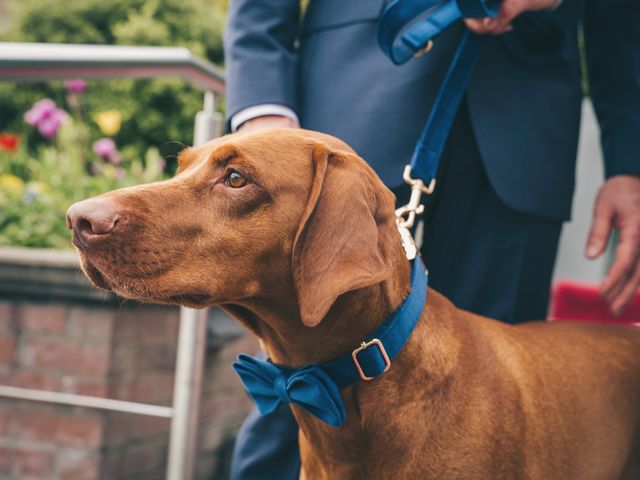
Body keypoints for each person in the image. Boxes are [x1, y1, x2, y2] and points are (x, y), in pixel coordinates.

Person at [223, 0, 640, 478]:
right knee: (299, 396)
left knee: (495, 427)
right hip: (351, 98)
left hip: (528, 120)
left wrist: (629, 162)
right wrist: (263, 114)